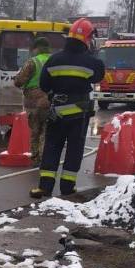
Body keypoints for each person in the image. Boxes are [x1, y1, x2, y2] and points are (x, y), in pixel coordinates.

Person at [30, 18, 105, 199]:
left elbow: (44, 85)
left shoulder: (54, 60)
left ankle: (44, 187)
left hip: (57, 113)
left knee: (52, 147)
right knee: (74, 150)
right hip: (79, 116)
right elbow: (98, 77)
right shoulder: (91, 62)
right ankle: (67, 188)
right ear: (87, 39)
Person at [14, 37, 52, 166]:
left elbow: (19, 81)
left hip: (34, 102)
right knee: (47, 131)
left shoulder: (32, 62)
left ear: (37, 48)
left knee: (35, 131)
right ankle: (46, 157)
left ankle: (36, 159)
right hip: (51, 101)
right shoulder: (55, 61)